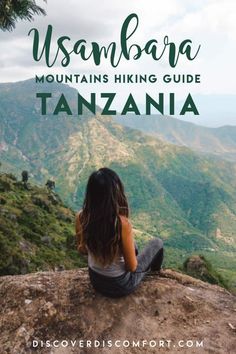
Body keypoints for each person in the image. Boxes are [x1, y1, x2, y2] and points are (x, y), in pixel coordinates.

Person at [75, 167, 163, 298]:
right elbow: (132, 267)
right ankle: (156, 272)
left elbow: (82, 250)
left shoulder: (81, 216)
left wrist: (99, 247)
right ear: (114, 194)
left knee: (134, 247)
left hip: (96, 280)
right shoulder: (121, 224)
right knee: (157, 243)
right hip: (120, 285)